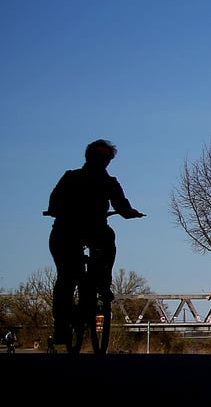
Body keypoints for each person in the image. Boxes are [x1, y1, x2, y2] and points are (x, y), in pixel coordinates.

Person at [46, 139, 145, 344]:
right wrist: (131, 213)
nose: (102, 161)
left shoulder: (73, 177)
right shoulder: (106, 182)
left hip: (68, 230)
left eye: (104, 157)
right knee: (70, 274)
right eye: (102, 157)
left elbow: (53, 202)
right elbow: (123, 208)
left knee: (66, 277)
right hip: (78, 231)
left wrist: (56, 211)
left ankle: (64, 325)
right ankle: (100, 285)